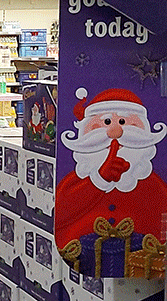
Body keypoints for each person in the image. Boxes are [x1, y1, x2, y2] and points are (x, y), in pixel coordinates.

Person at [55, 88, 167, 248]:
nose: (115, 133)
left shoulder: (154, 185)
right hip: (76, 252)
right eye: (106, 122)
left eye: (123, 122)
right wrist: (99, 179)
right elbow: (60, 214)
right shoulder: (74, 183)